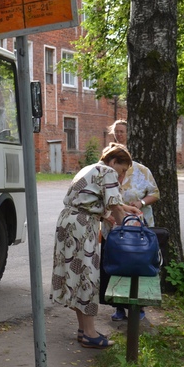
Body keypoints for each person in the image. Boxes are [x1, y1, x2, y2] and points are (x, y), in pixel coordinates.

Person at [51, 142, 142, 349]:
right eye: (122, 169)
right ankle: (90, 334)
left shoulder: (90, 168)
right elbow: (115, 208)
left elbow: (99, 200)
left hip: (69, 222)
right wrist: (128, 234)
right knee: (87, 277)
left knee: (74, 277)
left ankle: (84, 330)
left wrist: (125, 208)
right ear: (113, 161)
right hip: (82, 226)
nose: (120, 175)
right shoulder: (108, 171)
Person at [101, 120, 161, 321]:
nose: (119, 134)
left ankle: (139, 307)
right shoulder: (108, 171)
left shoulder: (142, 171)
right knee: (117, 265)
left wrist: (141, 202)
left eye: (122, 131)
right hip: (114, 228)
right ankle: (118, 306)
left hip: (139, 230)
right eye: (116, 132)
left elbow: (155, 193)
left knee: (139, 264)